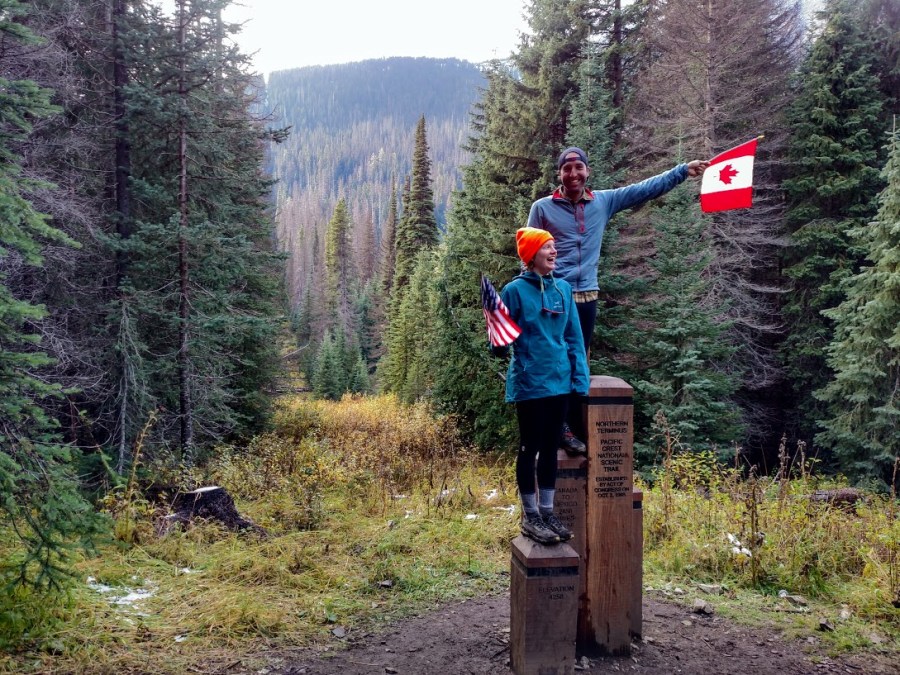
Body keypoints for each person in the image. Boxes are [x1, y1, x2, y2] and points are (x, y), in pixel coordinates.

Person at [527, 147, 710, 454]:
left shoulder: (603, 201)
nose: (573, 174)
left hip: (587, 297)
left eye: (579, 167)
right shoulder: (542, 208)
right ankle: (561, 428)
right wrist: (530, 298)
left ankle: (573, 427)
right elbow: (528, 252)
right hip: (554, 297)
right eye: (567, 168)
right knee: (555, 363)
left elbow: (643, 190)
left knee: (578, 362)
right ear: (559, 174)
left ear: (587, 171)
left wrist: (682, 171)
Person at [497, 227, 590, 545]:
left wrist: (580, 380)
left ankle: (547, 513)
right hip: (530, 383)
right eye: (547, 247)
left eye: (554, 246)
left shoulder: (563, 289)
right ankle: (531, 516)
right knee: (530, 447)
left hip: (560, 382)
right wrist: (497, 344)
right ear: (531, 255)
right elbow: (500, 338)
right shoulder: (514, 291)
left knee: (550, 448)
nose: (554, 252)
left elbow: (574, 338)